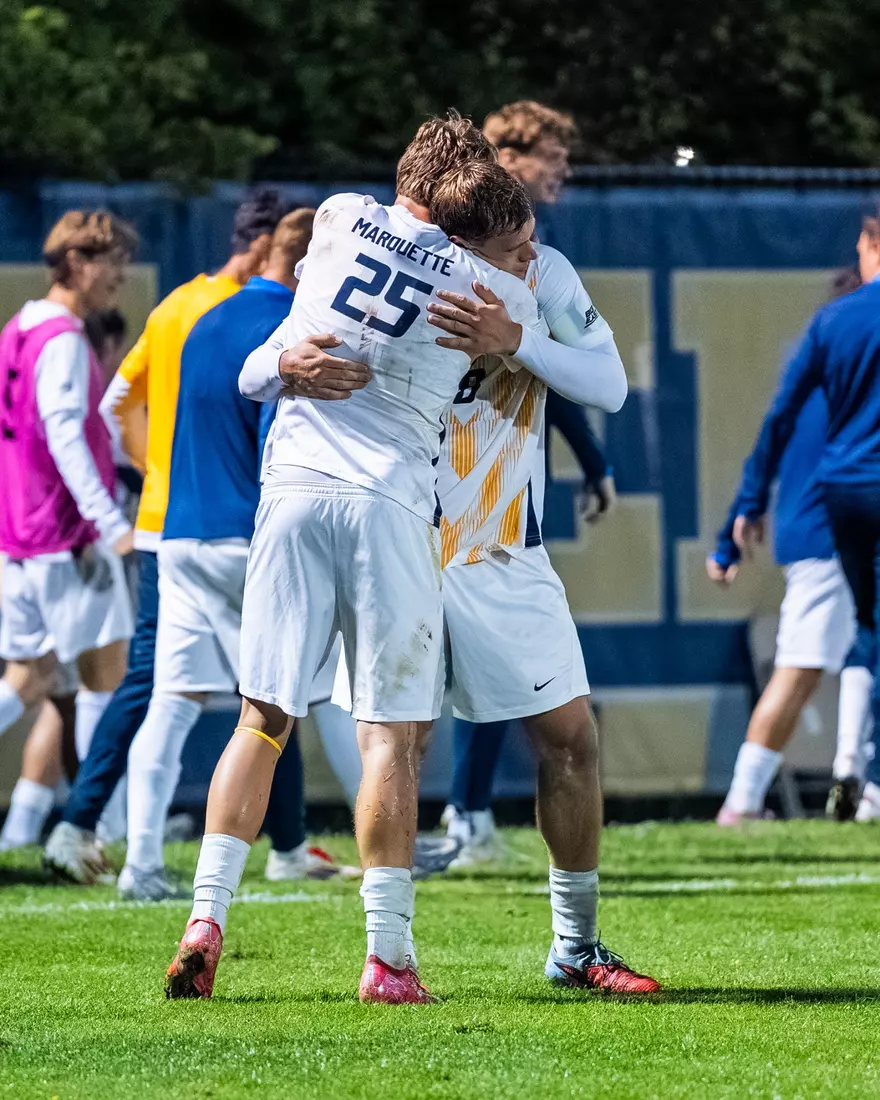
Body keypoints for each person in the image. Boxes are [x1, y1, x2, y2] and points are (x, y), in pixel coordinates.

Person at [164, 125, 542, 1005]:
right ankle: (388, 959)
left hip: (292, 488)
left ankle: (204, 919)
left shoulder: (335, 218)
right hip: (389, 502)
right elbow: (519, 336)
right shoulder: (476, 281)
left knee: (260, 719)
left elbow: (270, 363)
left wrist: (288, 363)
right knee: (389, 738)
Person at [423, 165, 658, 994]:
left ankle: (574, 947)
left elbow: (609, 387)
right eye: (512, 248)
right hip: (401, 539)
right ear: (459, 243)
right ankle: (385, 958)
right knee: (384, 740)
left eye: (531, 241)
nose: (530, 259)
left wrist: (517, 340)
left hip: (502, 548)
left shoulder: (547, 274)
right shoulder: (403, 269)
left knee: (569, 739)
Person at [43, 189, 288, 881]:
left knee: (162, 689)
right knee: (270, 685)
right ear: (271, 246)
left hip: (166, 523)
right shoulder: (254, 311)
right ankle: (292, 845)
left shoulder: (178, 304)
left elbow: (117, 399)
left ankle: (95, 832)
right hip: (222, 524)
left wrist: (157, 469)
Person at [118, 209, 361, 900]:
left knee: (173, 702)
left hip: (180, 536)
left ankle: (140, 865)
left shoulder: (206, 319)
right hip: (243, 537)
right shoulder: (286, 328)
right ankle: (381, 848)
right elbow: (275, 445)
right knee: (323, 693)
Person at [440, 100, 617, 866]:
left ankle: (471, 821)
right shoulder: (411, 252)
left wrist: (518, 341)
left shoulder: (540, 268)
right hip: (397, 513)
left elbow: (583, 379)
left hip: (498, 512)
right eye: (552, 158)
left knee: (550, 715)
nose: (562, 174)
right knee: (360, 722)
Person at [730, 212, 880, 826]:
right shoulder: (844, 378)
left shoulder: (833, 338)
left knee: (859, 645)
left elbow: (776, 425)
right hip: (823, 532)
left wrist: (740, 512)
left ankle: (854, 776)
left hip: (831, 518)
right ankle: (743, 802)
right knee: (807, 664)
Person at [0, 211, 138, 849]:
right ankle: (104, 830)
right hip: (68, 534)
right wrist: (109, 523)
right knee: (104, 681)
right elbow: (61, 434)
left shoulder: (18, 328)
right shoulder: (62, 338)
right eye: (112, 262)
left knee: (27, 680)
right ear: (79, 262)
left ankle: (83, 827)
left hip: (21, 534)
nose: (119, 276)